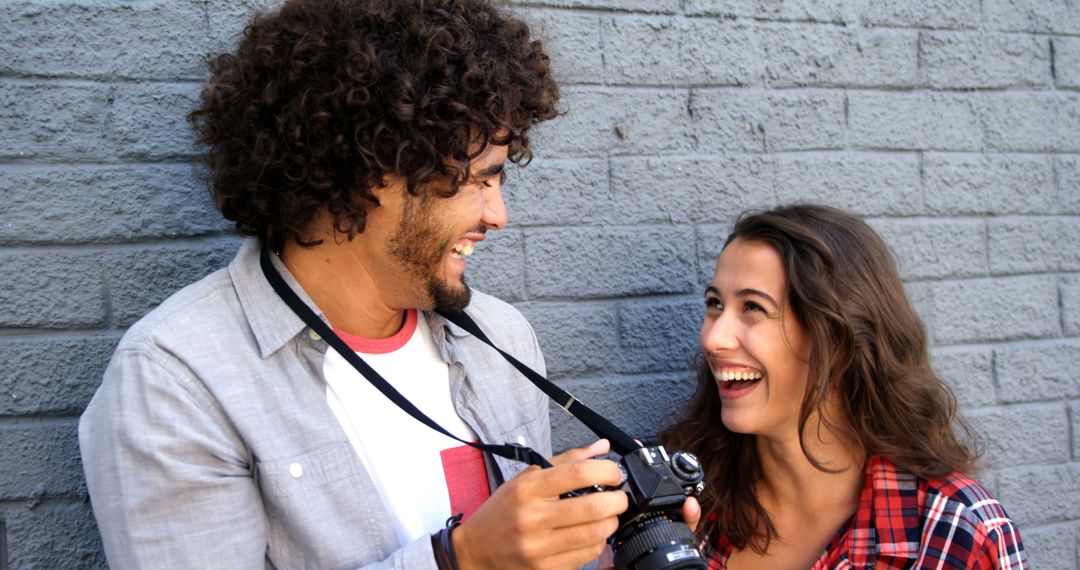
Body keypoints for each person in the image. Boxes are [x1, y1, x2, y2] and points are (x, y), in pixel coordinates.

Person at [79, 1, 698, 567]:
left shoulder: (502, 338)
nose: (498, 215)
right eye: (479, 179)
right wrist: (463, 559)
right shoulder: (177, 378)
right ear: (366, 171)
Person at [661, 204, 1028, 569]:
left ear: (837, 338)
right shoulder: (686, 508)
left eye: (753, 308)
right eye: (714, 304)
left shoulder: (958, 532)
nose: (713, 338)